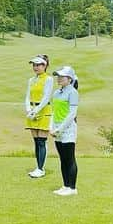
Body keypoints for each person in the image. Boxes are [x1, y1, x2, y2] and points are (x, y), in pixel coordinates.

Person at [49, 66, 80, 196]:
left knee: (69, 159)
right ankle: (65, 185)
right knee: (62, 159)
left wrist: (59, 129)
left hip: (67, 130)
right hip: (56, 129)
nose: (59, 78)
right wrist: (51, 127)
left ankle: (72, 188)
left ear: (69, 78)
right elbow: (53, 111)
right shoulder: (57, 93)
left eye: (62, 76)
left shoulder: (73, 92)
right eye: (58, 76)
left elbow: (72, 114)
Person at [24, 54, 54, 178]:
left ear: (44, 65)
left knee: (42, 141)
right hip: (32, 111)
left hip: (43, 110)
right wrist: (28, 110)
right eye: (34, 65)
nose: (35, 67)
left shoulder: (49, 79)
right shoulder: (31, 80)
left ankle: (41, 169)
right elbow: (27, 96)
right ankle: (38, 167)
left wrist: (35, 111)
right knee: (36, 142)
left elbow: (46, 96)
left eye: (38, 65)